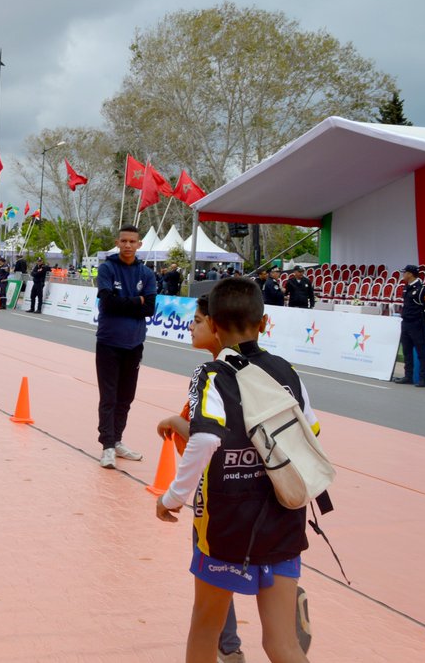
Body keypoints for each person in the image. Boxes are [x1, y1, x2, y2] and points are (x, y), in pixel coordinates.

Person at [155, 277, 318, 663]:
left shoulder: (210, 374)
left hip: (226, 522)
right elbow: (311, 433)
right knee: (282, 643)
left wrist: (173, 497)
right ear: (264, 323)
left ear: (213, 324)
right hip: (283, 516)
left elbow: (206, 439)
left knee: (205, 628)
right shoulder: (286, 371)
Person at [94, 226, 156, 469]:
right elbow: (107, 304)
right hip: (109, 341)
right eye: (124, 241)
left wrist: (129, 303)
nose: (128, 245)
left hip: (134, 343)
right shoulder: (107, 268)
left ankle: (117, 440)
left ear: (139, 244)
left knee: (126, 397)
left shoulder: (147, 274)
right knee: (108, 396)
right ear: (117, 243)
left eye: (133, 241)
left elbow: (149, 308)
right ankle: (107, 445)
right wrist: (136, 301)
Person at [394, 264, 425, 387]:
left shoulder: (423, 290)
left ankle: (423, 379)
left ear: (410, 274)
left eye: (405, 272)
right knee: (407, 351)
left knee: (421, 352)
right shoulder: (406, 288)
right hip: (405, 323)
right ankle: (408, 376)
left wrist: (424, 322)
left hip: (416, 324)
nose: (403, 274)